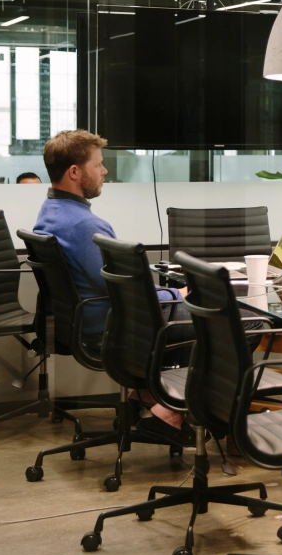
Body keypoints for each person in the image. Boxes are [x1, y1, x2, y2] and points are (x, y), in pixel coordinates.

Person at [33, 129, 192, 444]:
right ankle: (170, 412)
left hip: (85, 322)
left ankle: (146, 396)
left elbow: (115, 279)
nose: (104, 171)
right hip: (112, 328)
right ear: (75, 172)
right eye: (98, 164)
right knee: (232, 322)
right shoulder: (85, 226)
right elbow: (129, 293)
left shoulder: (52, 212)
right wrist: (178, 294)